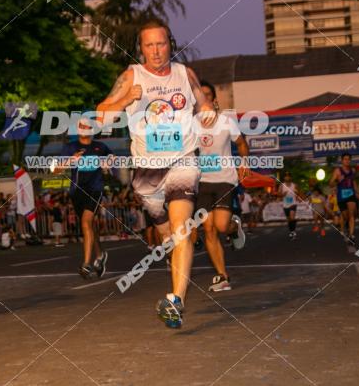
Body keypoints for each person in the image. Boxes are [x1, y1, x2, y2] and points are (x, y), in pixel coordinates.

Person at [95, 19, 216, 329]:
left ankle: (175, 300)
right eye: (149, 45)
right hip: (147, 171)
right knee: (166, 235)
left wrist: (206, 115)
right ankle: (176, 259)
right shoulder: (131, 76)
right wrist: (125, 99)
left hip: (182, 162)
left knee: (181, 231)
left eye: (161, 43)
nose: (156, 50)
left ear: (170, 44)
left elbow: (204, 106)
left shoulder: (184, 74)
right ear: (141, 48)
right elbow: (100, 115)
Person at [194, 80, 249, 293]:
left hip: (225, 179)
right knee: (208, 228)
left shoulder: (226, 122)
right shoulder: (191, 124)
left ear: (215, 101)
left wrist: (244, 162)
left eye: (208, 96)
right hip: (203, 181)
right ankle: (222, 276)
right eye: (201, 97)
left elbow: (241, 144)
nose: (204, 100)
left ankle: (234, 228)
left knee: (222, 226)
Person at [55, 117, 112, 279]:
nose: (84, 128)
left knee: (86, 222)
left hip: (95, 190)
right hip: (76, 192)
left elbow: (112, 158)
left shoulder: (100, 147)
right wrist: (71, 160)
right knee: (88, 226)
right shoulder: (70, 147)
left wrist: (108, 163)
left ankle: (86, 264)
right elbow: (56, 170)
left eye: (87, 126)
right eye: (81, 125)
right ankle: (100, 255)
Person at [330, 153, 358, 244]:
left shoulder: (353, 170)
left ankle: (351, 235)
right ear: (342, 160)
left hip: (351, 194)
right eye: (345, 159)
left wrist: (358, 192)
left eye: (348, 159)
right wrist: (338, 180)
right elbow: (331, 183)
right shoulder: (337, 171)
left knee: (351, 214)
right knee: (345, 217)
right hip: (341, 196)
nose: (347, 161)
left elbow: (354, 182)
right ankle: (347, 227)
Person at [278, 172, 299, 239]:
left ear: (291, 177)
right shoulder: (281, 186)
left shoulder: (294, 185)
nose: (287, 177)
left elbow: (299, 193)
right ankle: (291, 231)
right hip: (285, 205)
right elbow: (278, 195)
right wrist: (283, 194)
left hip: (293, 204)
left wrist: (297, 193)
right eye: (286, 176)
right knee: (289, 220)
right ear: (284, 178)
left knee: (292, 217)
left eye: (289, 176)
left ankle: (293, 232)